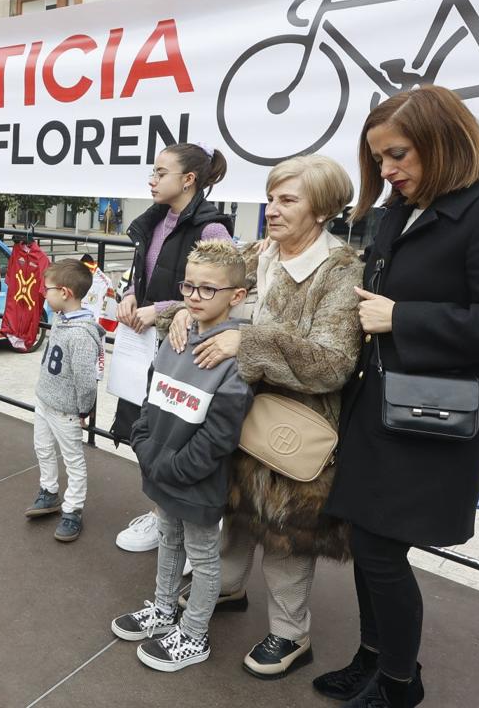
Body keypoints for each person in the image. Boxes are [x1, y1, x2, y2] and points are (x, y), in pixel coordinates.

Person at [318, 86, 479, 708]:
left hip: (430, 415)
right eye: (379, 160)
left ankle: (400, 685)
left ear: (443, 139)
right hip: (376, 406)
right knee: (364, 537)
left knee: (380, 548)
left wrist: (404, 319)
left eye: (398, 154)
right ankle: (374, 662)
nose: (387, 171)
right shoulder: (398, 210)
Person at [166, 154, 362, 679]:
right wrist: (181, 310)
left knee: (286, 536)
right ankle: (227, 587)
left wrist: (246, 340)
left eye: (286, 200)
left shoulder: (342, 270)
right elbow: (213, 291)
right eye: (271, 198)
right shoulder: (260, 251)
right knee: (232, 513)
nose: (271, 209)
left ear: (322, 209)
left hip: (294, 429)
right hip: (237, 415)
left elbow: (334, 363)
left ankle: (291, 636)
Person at [112, 240, 253, 672]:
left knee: (203, 557)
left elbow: (220, 432)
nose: (194, 296)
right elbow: (152, 398)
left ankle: (194, 635)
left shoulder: (234, 356)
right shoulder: (178, 333)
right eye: (188, 285)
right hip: (162, 465)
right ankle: (163, 608)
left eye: (208, 289)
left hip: (196, 478)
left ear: (237, 296)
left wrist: (178, 466)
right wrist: (144, 444)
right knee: (169, 540)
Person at [112, 143, 234, 554]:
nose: (151, 178)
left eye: (160, 172)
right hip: (152, 344)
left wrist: (158, 311)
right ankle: (163, 518)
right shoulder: (152, 221)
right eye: (152, 170)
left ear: (188, 180)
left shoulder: (212, 230)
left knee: (182, 437)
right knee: (149, 429)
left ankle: (194, 532)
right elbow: (142, 274)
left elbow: (221, 294)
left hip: (191, 350)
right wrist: (131, 295)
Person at [25, 259, 104, 543]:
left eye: (47, 289)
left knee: (73, 460)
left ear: (65, 293)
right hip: (44, 400)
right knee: (42, 448)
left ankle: (73, 509)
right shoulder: (60, 317)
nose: (43, 294)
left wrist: (84, 409)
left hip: (67, 411)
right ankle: (49, 491)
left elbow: (86, 380)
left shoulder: (82, 335)